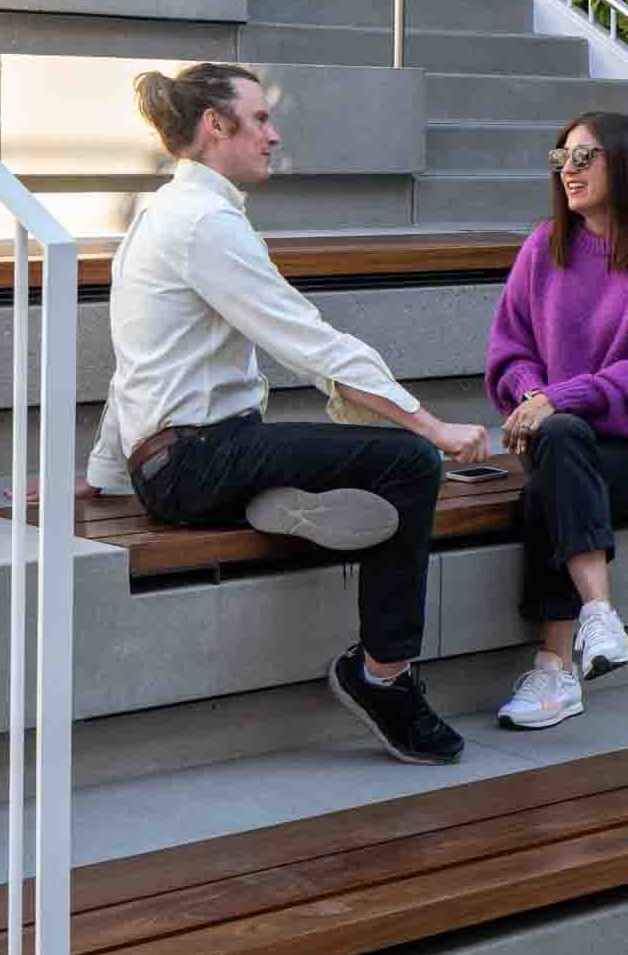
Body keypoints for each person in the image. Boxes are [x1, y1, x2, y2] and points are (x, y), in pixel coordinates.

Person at [87, 60, 489, 764]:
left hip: (181, 457)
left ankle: (281, 498)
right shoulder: (205, 223)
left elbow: (135, 365)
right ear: (217, 125)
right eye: (261, 117)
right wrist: (430, 424)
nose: (275, 133)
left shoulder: (160, 212)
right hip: (199, 461)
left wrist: (102, 474)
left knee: (322, 448)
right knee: (408, 463)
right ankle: (382, 676)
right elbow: (309, 340)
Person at [485, 109, 628, 732]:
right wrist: (533, 395)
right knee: (559, 447)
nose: (569, 171)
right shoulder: (542, 248)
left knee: (544, 492)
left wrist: (557, 398)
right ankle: (598, 616)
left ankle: (555, 666)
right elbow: (511, 350)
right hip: (558, 436)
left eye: (585, 157)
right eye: (561, 159)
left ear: (625, 164)